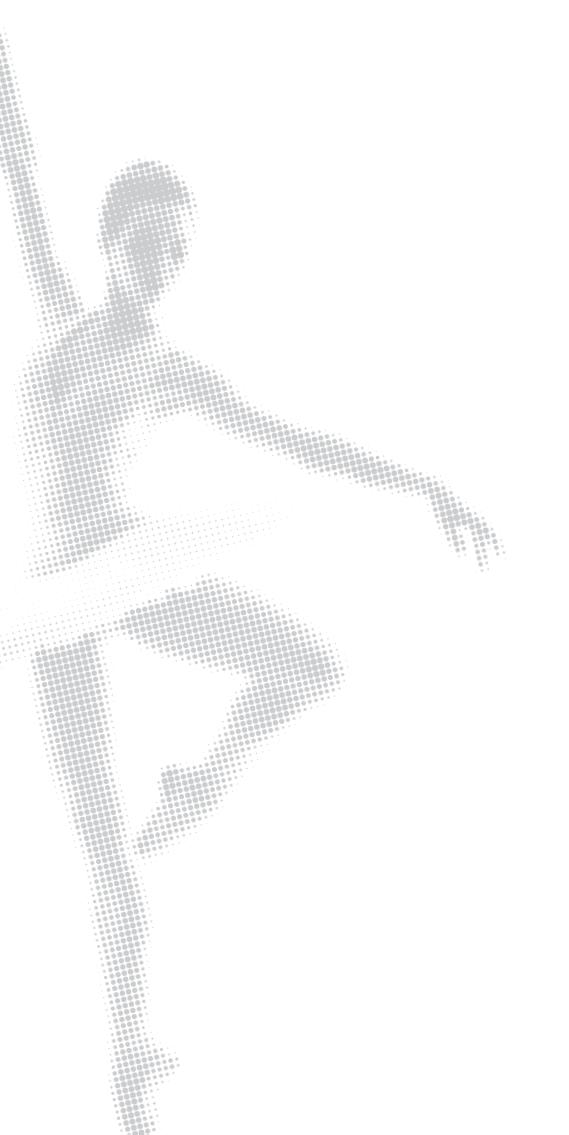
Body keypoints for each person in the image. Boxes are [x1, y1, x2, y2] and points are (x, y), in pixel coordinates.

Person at [0, 33, 501, 1135]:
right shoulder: (57, 313)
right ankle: (131, 1062)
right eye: (149, 245)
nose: (164, 266)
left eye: (181, 252)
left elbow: (304, 440)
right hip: (46, 602)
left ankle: (207, 781)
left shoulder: (171, 369)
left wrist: (426, 484)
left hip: (129, 566)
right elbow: (21, 171)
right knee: (103, 849)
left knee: (317, 664)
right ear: (109, 243)